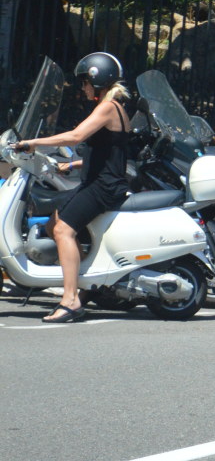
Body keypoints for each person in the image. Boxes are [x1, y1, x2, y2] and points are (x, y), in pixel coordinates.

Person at [12, 53, 132, 323]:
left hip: (103, 187)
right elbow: (110, 150)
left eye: (84, 82)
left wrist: (33, 142)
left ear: (96, 78)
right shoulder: (117, 108)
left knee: (64, 230)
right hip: (100, 181)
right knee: (54, 224)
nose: (83, 88)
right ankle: (83, 281)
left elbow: (76, 135)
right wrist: (74, 164)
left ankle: (70, 300)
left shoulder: (108, 107)